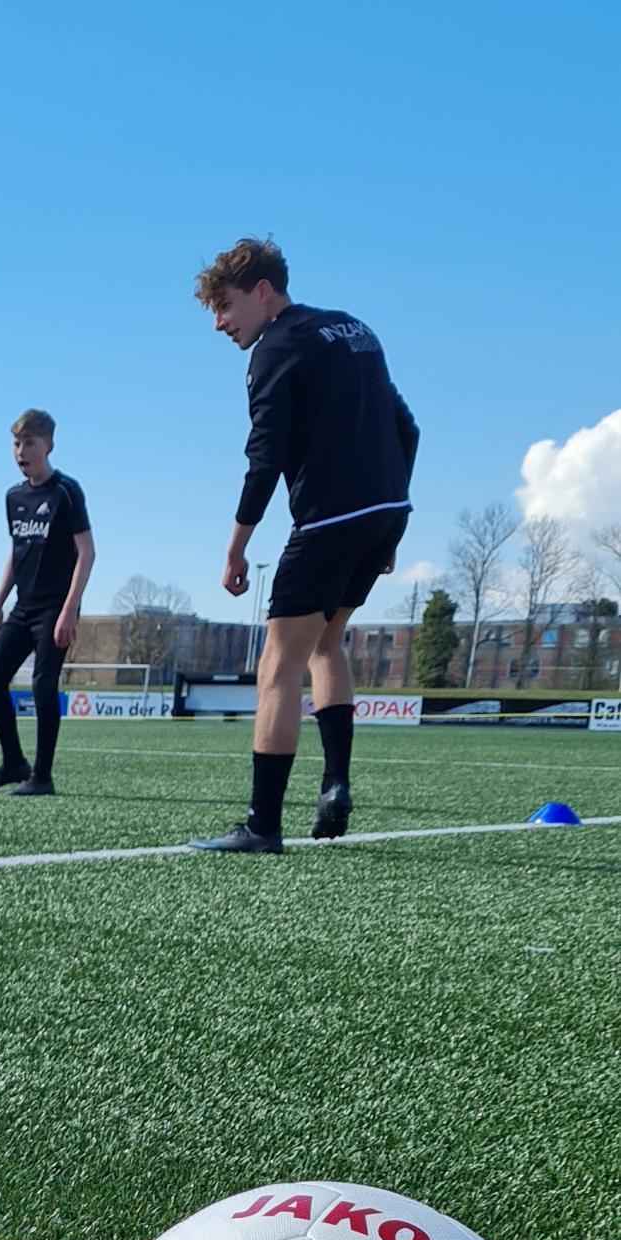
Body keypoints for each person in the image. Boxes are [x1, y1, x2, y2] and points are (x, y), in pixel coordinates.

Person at [189, 237, 417, 853]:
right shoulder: (354, 330)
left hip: (329, 522)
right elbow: (408, 426)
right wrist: (392, 517)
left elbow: (265, 458)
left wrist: (237, 547)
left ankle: (263, 825)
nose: (219, 323)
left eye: (226, 306)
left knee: (277, 666)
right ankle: (335, 784)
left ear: (263, 291)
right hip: (384, 512)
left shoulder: (276, 349)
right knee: (325, 643)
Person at [0, 409, 95, 796]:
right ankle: (13, 762)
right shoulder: (14, 497)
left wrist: (70, 608)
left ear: (49, 446)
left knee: (43, 686)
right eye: (16, 443)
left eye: (29, 443)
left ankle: (42, 775)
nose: (21, 451)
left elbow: (87, 552)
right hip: (23, 608)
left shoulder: (66, 491)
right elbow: (17, 551)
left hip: (54, 609)